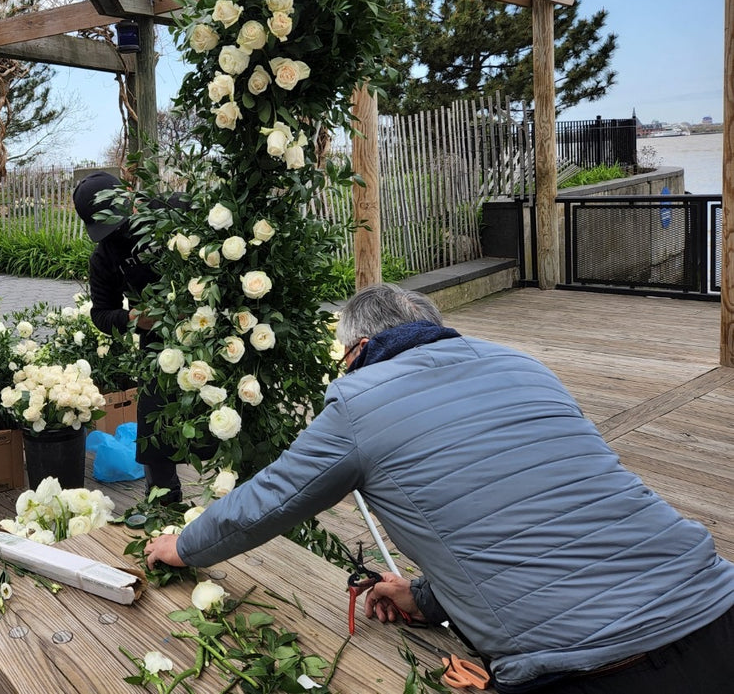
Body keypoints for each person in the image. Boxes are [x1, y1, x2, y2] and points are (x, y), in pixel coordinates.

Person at [145, 282, 734, 693]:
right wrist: (424, 598)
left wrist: (184, 546)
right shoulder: (524, 364)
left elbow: (268, 500)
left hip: (587, 665)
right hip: (715, 604)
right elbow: (530, 511)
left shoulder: (357, 401)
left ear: (356, 351)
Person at [72, 171, 183, 503]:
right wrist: (133, 318)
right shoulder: (105, 256)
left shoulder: (174, 210)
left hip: (210, 331)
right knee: (154, 418)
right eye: (108, 228)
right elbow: (101, 312)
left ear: (131, 197)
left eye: (119, 221)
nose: (118, 232)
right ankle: (164, 498)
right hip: (156, 341)